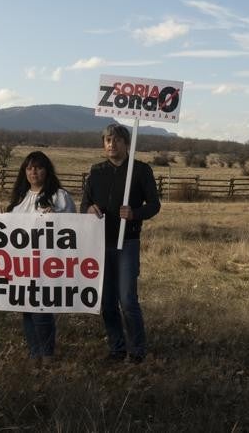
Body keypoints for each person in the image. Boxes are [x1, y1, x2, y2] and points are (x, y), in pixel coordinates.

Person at [81, 123, 161, 363]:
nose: (111, 144)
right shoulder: (96, 171)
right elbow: (85, 204)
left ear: (127, 143)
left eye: (116, 140)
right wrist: (89, 209)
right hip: (100, 244)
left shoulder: (140, 170)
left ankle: (137, 352)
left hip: (127, 242)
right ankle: (116, 349)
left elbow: (154, 205)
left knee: (127, 300)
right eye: (107, 140)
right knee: (106, 302)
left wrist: (135, 213)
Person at [7, 151, 74, 361]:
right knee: (26, 309)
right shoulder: (21, 198)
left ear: (47, 170)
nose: (33, 172)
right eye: (29, 168)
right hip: (21, 263)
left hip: (47, 263)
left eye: (38, 167)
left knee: (41, 309)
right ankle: (34, 353)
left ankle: (47, 354)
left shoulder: (59, 196)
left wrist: (55, 217)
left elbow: (72, 227)